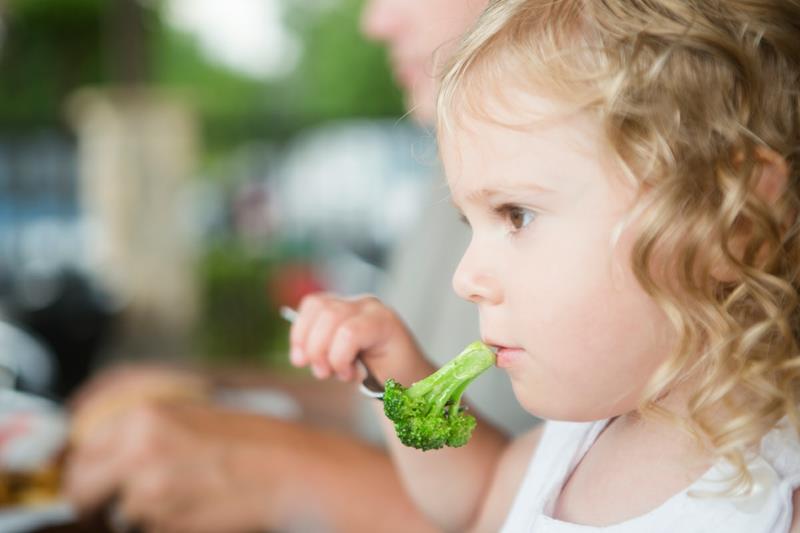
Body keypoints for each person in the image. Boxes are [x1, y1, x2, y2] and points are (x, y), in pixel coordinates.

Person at [288, 0, 800, 531]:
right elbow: (479, 497)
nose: (466, 279)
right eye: (471, 223)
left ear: (730, 219)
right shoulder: (578, 438)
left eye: (518, 214)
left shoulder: (771, 506)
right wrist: (402, 379)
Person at [65, 1, 535, 532]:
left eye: (520, 215)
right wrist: (211, 386)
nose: (374, 22)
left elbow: (511, 506)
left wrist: (273, 470)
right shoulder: (456, 177)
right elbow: (384, 407)